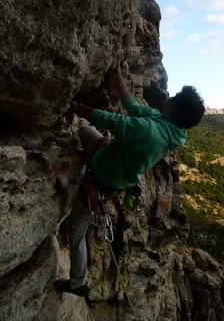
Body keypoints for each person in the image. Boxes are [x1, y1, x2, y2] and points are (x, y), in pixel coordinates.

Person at [55, 65, 205, 297]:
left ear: (175, 107)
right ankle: (83, 163)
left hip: (104, 176)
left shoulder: (150, 131)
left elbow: (112, 120)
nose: (170, 97)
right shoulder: (168, 127)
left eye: (174, 97)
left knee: (76, 227)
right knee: (85, 131)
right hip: (108, 157)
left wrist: (73, 106)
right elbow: (134, 107)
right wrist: (118, 79)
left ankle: (78, 283)